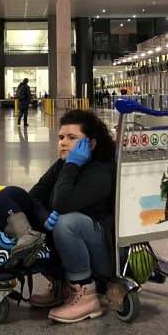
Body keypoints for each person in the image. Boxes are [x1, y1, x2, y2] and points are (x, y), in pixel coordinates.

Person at [27, 109, 117, 324]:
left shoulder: (101, 170)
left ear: (91, 145)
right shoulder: (62, 165)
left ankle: (86, 296)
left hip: (107, 253)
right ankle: (63, 285)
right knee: (40, 217)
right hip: (84, 245)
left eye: (72, 138)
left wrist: (73, 165)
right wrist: (43, 217)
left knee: (67, 222)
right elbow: (32, 197)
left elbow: (63, 203)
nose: (63, 143)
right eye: (61, 137)